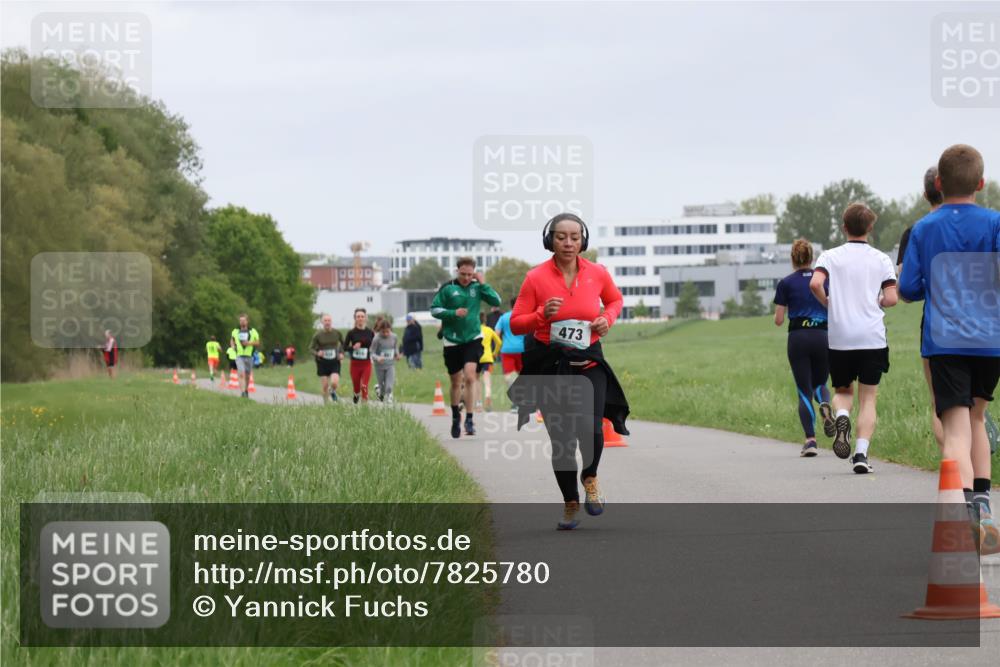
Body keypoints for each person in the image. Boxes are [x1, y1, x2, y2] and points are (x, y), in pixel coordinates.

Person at [898, 144, 1000, 554]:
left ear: (939, 184)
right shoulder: (994, 223)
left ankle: (957, 523)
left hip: (945, 340)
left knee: (954, 429)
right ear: (980, 183)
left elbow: (907, 289)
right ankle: (986, 513)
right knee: (978, 418)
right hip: (990, 338)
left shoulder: (924, 228)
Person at [509, 213, 629, 530]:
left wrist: (608, 318)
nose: (568, 243)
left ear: (583, 240)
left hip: (589, 360)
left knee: (591, 427)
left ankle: (590, 477)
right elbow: (515, 322)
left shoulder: (597, 273)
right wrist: (539, 316)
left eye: (575, 237)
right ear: (550, 240)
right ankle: (570, 503)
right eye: (561, 237)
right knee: (562, 441)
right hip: (550, 364)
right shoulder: (535, 278)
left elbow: (615, 300)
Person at [809, 203, 898, 473]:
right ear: (870, 227)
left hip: (841, 337)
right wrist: (879, 300)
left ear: (844, 227)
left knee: (842, 391)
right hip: (872, 337)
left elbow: (814, 283)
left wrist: (828, 303)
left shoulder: (830, 256)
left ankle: (843, 416)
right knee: (868, 398)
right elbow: (892, 298)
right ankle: (860, 455)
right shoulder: (881, 259)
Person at [897, 167, 946, 452]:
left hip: (938, 325)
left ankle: (952, 470)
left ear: (926, 193)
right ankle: (978, 485)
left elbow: (905, 289)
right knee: (975, 412)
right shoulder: (988, 222)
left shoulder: (916, 231)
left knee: (940, 402)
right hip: (985, 325)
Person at [773, 240, 834, 457]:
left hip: (798, 338)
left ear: (792, 258)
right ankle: (825, 403)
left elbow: (779, 320)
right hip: (823, 336)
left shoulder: (786, 283)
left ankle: (810, 441)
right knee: (820, 384)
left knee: (803, 390)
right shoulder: (824, 281)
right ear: (812, 258)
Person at [431, 257, 502, 438]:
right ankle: (456, 416)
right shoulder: (448, 289)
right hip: (452, 341)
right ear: (457, 271)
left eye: (470, 274)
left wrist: (483, 283)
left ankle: (470, 418)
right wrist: (453, 313)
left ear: (474, 273)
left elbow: (496, 301)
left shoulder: (477, 287)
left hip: (472, 338)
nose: (466, 278)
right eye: (463, 274)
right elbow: (435, 310)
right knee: (456, 381)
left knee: (471, 376)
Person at [494, 297, 526, 412]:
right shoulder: (524, 317)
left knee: (509, 376)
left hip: (507, 350)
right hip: (522, 349)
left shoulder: (504, 317)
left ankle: (515, 403)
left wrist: (499, 346)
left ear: (510, 305)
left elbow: (496, 333)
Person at [310, 314, 344, 404]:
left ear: (331, 322)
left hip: (334, 361)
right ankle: (326, 404)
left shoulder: (337, 333)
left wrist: (341, 353)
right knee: (325, 386)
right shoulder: (318, 335)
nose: (327, 322)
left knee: (334, 383)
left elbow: (344, 344)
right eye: (325, 320)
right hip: (322, 362)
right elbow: (310, 348)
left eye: (329, 320)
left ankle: (332, 391)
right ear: (322, 322)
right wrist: (317, 353)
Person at [344, 308, 375, 403]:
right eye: (358, 316)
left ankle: (364, 409)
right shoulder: (351, 333)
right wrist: (353, 347)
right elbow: (344, 347)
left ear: (365, 318)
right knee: (357, 387)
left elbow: (375, 345)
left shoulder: (370, 332)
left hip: (366, 364)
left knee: (364, 386)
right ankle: (356, 394)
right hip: (355, 364)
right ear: (355, 318)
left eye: (362, 316)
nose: (360, 318)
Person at [476, 312, 503, 411]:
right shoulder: (489, 330)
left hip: (476, 358)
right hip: (488, 358)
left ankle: (478, 404)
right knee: (487, 379)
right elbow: (499, 342)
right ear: (485, 320)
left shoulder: (474, 330)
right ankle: (487, 395)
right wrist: (495, 353)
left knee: (477, 380)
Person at [230, 313, 260, 398]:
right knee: (241, 373)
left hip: (249, 356)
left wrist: (249, 343)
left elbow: (257, 342)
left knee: (247, 375)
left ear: (247, 321)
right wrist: (232, 346)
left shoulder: (253, 331)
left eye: (244, 320)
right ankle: (242, 392)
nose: (242, 322)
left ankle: (246, 390)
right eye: (240, 320)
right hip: (239, 356)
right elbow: (232, 340)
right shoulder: (235, 331)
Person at [371, 318, 400, 403]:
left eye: (388, 331)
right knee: (382, 388)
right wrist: (378, 358)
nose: (386, 334)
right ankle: (379, 390)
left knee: (389, 387)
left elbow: (395, 347)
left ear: (390, 329)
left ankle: (389, 399)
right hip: (379, 366)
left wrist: (397, 354)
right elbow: (372, 353)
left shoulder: (394, 337)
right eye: (383, 332)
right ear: (380, 330)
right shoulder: (376, 339)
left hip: (390, 365)